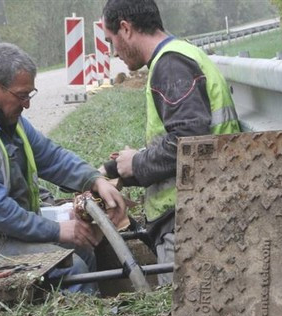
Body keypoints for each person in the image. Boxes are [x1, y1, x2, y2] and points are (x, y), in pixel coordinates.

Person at [0, 43, 126, 293]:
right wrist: (58, 230)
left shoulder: (1, 116)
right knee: (74, 268)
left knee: (82, 250)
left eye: (30, 94)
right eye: (22, 95)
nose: (27, 104)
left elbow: (51, 157)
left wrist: (95, 180)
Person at [100, 0, 240, 284]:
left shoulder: (170, 65)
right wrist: (120, 167)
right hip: (203, 211)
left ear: (125, 28)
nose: (114, 52)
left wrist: (137, 163)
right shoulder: (178, 56)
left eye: (111, 41)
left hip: (192, 221)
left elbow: (189, 143)